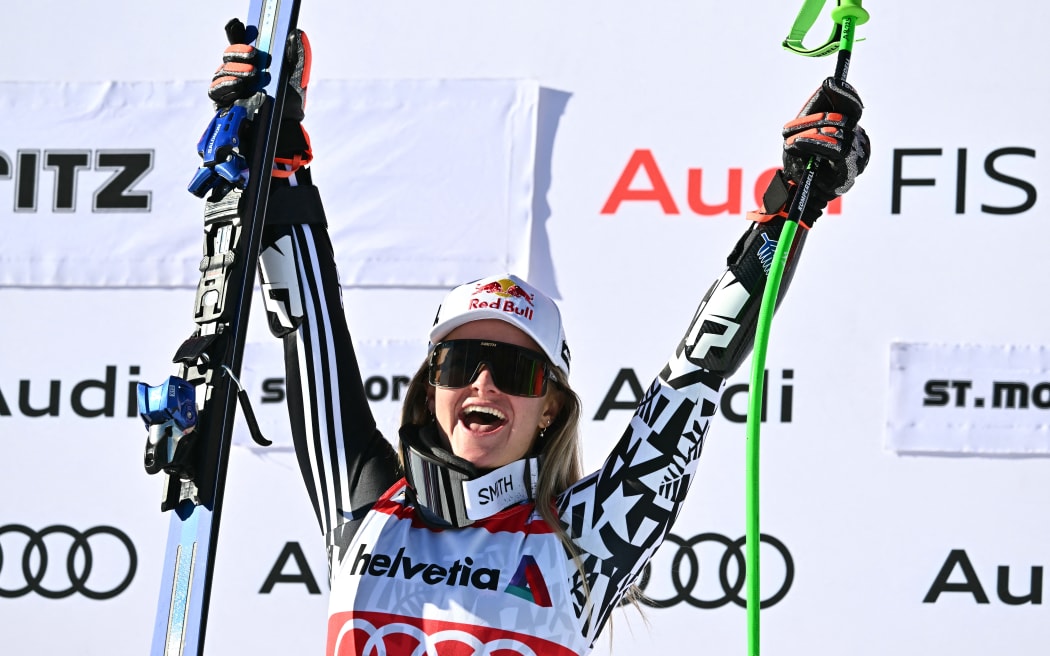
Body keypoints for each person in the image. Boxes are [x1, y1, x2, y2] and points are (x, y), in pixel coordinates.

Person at [210, 21, 869, 656]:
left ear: (550, 405)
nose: (483, 383)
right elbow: (309, 323)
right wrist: (277, 151)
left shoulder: (586, 539)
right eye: (460, 362)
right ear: (431, 385)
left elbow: (695, 373)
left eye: (514, 371)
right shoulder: (364, 505)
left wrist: (792, 208)